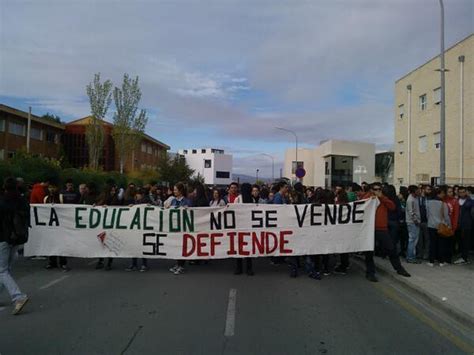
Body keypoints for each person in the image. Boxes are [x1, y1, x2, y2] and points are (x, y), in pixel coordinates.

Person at [363, 183, 410, 282]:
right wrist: (370, 197)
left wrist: (382, 198)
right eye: (375, 189)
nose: (378, 191)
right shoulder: (367, 198)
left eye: (379, 189)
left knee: (391, 249)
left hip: (382, 228)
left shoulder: (383, 198)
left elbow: (392, 207)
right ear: (371, 190)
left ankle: (399, 269)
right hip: (369, 229)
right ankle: (370, 273)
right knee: (369, 252)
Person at [0, 177, 30, 315]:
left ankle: (18, 297)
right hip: (17, 238)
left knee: (2, 270)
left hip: (3, 238)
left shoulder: (3, 201)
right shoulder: (22, 200)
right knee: (7, 269)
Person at [43, 183, 70, 271]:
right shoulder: (46, 198)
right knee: (51, 244)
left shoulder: (61, 197)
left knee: (61, 244)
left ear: (57, 188)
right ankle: (52, 262)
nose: (51, 189)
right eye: (50, 187)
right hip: (50, 226)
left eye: (53, 187)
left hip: (61, 225)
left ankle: (63, 263)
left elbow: (68, 210)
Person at [95, 182, 121, 270]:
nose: (113, 192)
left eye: (114, 190)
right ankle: (100, 261)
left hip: (111, 224)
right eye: (112, 190)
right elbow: (96, 204)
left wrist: (109, 207)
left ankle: (109, 263)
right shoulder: (102, 196)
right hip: (102, 223)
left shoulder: (116, 198)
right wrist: (96, 206)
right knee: (101, 243)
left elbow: (118, 207)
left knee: (110, 243)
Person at [168, 182, 192, 275]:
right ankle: (178, 264)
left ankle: (181, 265)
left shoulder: (187, 201)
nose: (174, 191)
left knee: (183, 246)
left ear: (180, 191)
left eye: (175, 190)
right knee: (177, 246)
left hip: (184, 227)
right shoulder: (173, 201)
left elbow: (192, 211)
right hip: (175, 227)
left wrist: (187, 208)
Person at [126, 189, 150, 272]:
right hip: (137, 227)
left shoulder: (145, 201)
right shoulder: (136, 202)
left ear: (141, 195)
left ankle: (141, 264)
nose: (137, 196)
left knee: (141, 246)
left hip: (142, 227)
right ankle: (136, 264)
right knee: (136, 246)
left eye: (138, 194)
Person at [426, 186, 451, 267]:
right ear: (439, 194)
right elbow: (446, 216)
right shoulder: (443, 204)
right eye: (443, 193)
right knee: (441, 244)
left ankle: (431, 261)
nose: (444, 195)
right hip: (441, 226)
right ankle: (441, 261)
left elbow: (427, 214)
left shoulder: (428, 202)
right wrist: (449, 225)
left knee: (432, 244)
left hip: (431, 225)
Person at [233, 183, 255, 276]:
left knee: (246, 248)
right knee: (240, 248)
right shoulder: (238, 199)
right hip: (240, 227)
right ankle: (242, 268)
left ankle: (243, 268)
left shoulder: (252, 199)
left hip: (247, 227)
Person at [454, 187, 473, 264]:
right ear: (458, 193)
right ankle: (461, 255)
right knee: (459, 241)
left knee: (466, 241)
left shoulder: (470, 201)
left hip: (467, 224)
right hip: (458, 224)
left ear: (466, 192)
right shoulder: (456, 200)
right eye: (460, 192)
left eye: (463, 192)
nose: (462, 194)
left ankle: (464, 257)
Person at [405, 185, 421, 263]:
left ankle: (411, 256)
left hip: (415, 221)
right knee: (412, 240)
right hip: (412, 222)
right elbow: (411, 212)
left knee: (414, 240)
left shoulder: (416, 198)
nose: (419, 191)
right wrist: (416, 221)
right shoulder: (410, 200)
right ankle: (410, 257)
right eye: (418, 190)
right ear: (414, 191)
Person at [417, 185, 432, 260]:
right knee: (419, 239)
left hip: (427, 221)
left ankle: (426, 254)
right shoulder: (417, 198)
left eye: (430, 189)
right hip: (419, 221)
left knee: (427, 239)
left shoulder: (429, 198)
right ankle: (419, 254)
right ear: (423, 190)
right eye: (428, 189)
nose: (429, 191)